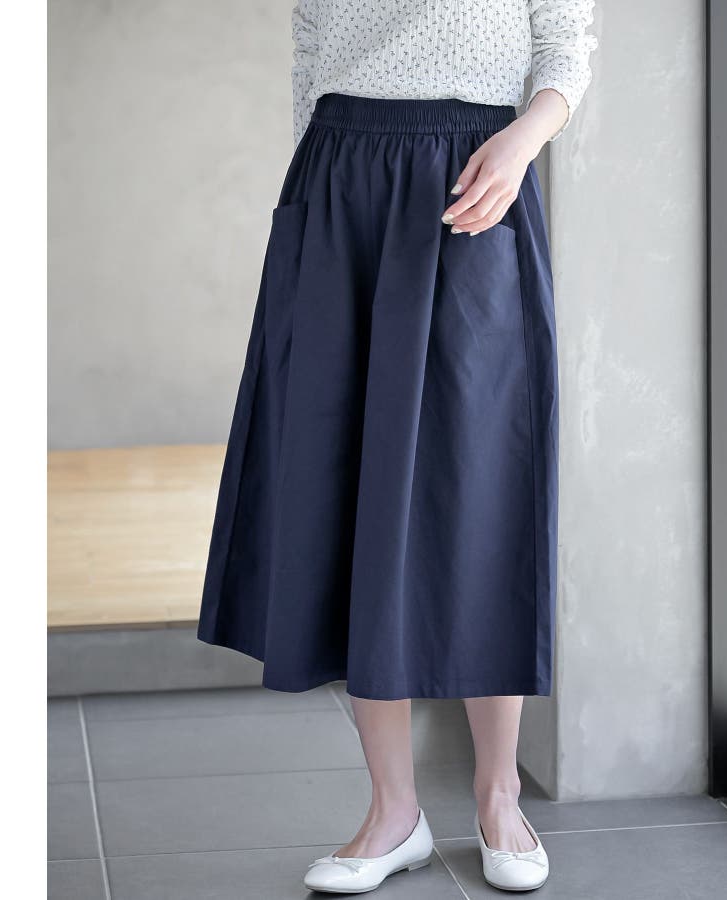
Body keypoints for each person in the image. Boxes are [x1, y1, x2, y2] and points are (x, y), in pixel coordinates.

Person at [197, 1, 598, 892]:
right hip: (338, 183)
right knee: (345, 489)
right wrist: (312, 197)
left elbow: (565, 47)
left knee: (484, 486)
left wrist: (521, 142)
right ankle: (394, 812)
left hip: (473, 176)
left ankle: (499, 797)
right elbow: (311, 46)